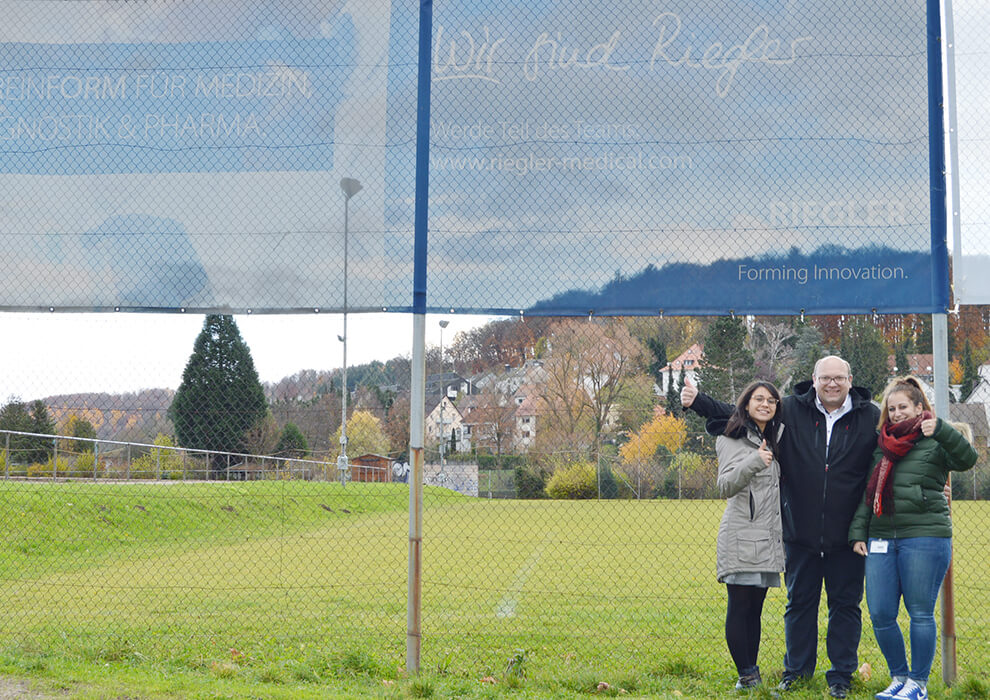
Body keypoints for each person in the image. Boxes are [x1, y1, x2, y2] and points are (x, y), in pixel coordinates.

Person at [683, 356, 880, 699]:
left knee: (845, 606)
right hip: (798, 531)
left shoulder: (870, 416)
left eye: (838, 378)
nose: (831, 384)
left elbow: (896, 441)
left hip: (848, 533)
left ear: (850, 379)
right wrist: (699, 401)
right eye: (825, 378)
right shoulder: (791, 409)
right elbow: (744, 410)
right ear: (814, 380)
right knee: (800, 604)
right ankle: (797, 672)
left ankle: (841, 677)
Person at [849, 377, 977, 700]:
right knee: (879, 612)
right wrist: (857, 533)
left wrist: (942, 430)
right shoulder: (881, 446)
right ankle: (899, 676)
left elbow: (967, 459)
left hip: (925, 536)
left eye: (902, 407)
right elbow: (868, 494)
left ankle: (918, 684)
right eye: (891, 408)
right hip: (880, 538)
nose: (895, 414)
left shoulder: (935, 440)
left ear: (919, 408)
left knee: (920, 612)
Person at [715, 381, 786, 691]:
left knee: (754, 610)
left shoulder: (773, 437)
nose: (765, 404)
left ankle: (751, 675)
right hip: (742, 534)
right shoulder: (731, 439)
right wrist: (755, 461)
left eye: (771, 400)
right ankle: (746, 675)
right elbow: (725, 486)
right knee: (740, 607)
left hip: (767, 537)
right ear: (746, 404)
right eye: (759, 399)